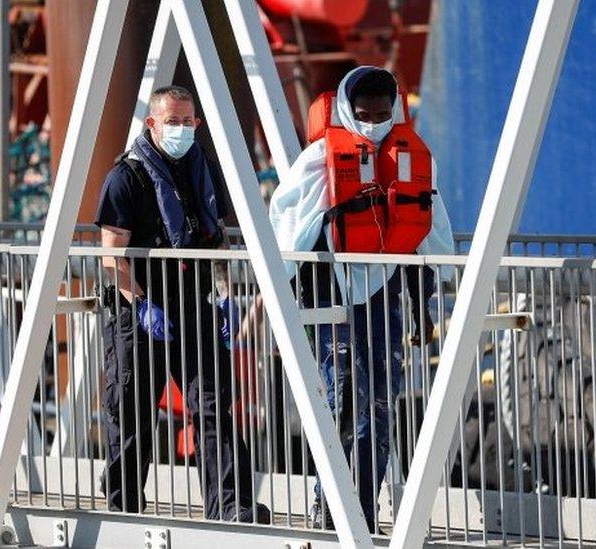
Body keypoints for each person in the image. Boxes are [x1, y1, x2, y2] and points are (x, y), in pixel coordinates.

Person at [269, 66, 454, 532]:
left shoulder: (409, 160)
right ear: (349, 111)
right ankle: (328, 503)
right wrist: (286, 293)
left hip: (384, 299)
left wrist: (424, 304)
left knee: (379, 408)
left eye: (382, 112)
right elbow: (288, 225)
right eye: (365, 113)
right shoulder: (317, 161)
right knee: (342, 401)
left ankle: (361, 513)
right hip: (333, 299)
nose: (373, 121)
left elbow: (428, 238)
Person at [95, 85, 266, 523]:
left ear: (198, 125)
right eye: (172, 122)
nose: (181, 129)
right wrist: (142, 305)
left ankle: (232, 508)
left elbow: (217, 239)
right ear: (151, 124)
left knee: (213, 407)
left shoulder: (203, 169)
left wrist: (226, 296)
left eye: (187, 122)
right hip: (140, 313)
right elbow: (112, 254)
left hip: (194, 305)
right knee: (131, 411)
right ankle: (124, 505)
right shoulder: (125, 177)